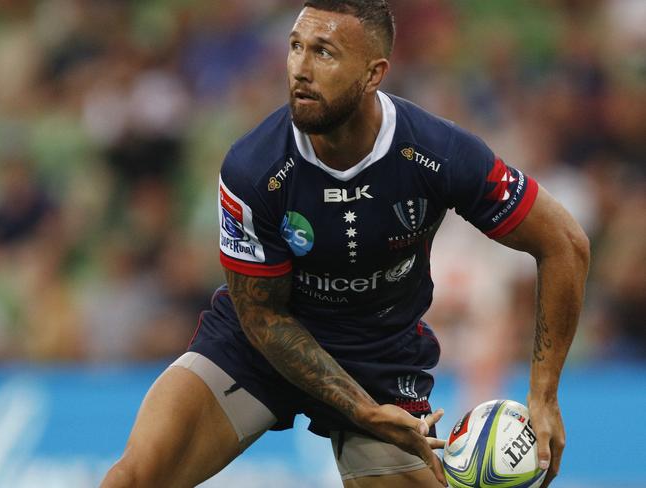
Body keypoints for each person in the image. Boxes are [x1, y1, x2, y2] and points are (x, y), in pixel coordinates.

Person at [101, 1, 590, 487]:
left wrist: (543, 396)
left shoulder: (439, 154)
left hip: (379, 358)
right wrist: (360, 409)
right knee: (132, 478)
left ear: (373, 73)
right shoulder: (253, 169)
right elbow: (263, 318)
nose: (301, 69)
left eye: (324, 53)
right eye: (295, 47)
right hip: (258, 346)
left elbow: (565, 243)